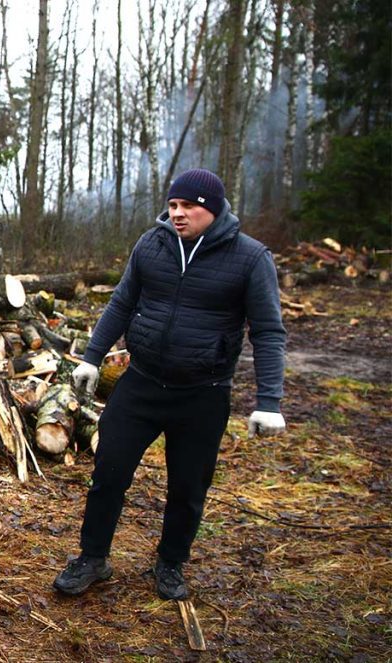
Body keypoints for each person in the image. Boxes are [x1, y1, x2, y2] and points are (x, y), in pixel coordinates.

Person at [53, 168, 287, 600]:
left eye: (188, 206)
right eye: (173, 205)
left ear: (212, 209)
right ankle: (93, 557)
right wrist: (91, 357)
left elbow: (269, 332)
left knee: (188, 486)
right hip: (141, 384)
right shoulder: (152, 244)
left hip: (203, 394)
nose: (177, 213)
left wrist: (269, 401)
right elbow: (122, 302)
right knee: (108, 472)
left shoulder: (250, 257)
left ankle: (171, 563)